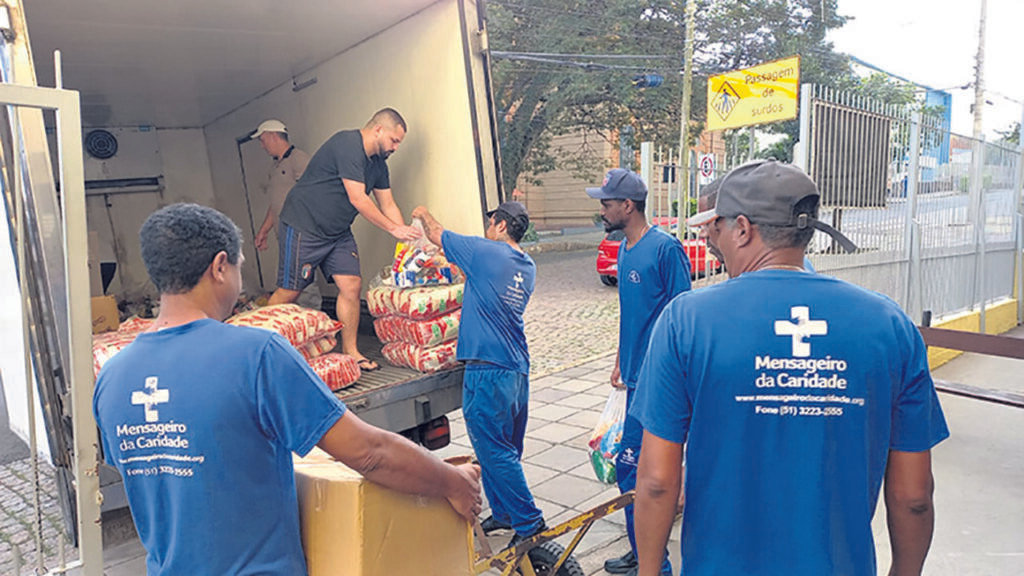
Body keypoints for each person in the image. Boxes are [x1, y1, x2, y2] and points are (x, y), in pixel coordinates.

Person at [93, 203, 481, 575]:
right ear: (220, 267)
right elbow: (369, 453)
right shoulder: (255, 353)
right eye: (239, 266)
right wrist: (453, 482)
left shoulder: (112, 378)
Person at [631, 160, 949, 576]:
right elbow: (914, 497)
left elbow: (657, 482)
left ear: (742, 229)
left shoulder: (685, 321)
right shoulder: (889, 325)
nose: (713, 240)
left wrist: (648, 570)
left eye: (717, 228)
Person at [412, 201, 548, 546]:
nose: (487, 228)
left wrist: (423, 213)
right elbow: (482, 284)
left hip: (487, 369)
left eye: (491, 223)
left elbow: (437, 234)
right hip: (515, 368)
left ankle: (530, 524)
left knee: (494, 450)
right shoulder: (526, 265)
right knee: (506, 448)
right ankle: (503, 512)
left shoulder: (485, 251)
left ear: (501, 225)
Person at [586, 169, 691, 576]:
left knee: (633, 470)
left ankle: (655, 564)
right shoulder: (624, 250)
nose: (602, 210)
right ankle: (640, 547)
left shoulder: (665, 249)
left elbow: (683, 316)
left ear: (627, 206)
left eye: (606, 203)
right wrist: (619, 359)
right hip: (632, 379)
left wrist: (674, 379)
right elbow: (630, 313)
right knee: (630, 470)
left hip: (658, 384)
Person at [269, 108, 421, 372]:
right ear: (378, 130)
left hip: (338, 232)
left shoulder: (379, 165)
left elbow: (387, 203)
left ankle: (351, 352)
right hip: (304, 224)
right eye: (394, 140)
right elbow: (358, 199)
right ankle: (256, 346)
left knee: (351, 285)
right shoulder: (348, 144)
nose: (396, 147)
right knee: (290, 291)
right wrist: (393, 230)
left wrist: (406, 238)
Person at [699, 177, 815, 272]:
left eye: (708, 224)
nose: (702, 234)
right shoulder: (798, 266)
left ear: (742, 228)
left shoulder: (757, 273)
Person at [250, 119, 311, 252]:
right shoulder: (274, 167)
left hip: (302, 236)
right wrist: (264, 231)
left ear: (273, 136)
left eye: (262, 140)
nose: (262, 146)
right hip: (285, 237)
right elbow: (276, 204)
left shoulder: (298, 159)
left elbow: (312, 194)